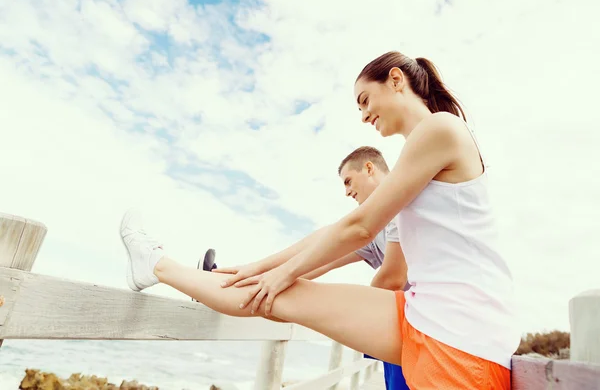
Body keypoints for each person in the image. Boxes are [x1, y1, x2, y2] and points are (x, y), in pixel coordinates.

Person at [120, 50, 521, 389]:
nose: (363, 115)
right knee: (271, 294)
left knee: (274, 292)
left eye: (365, 100)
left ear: (396, 80)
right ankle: (154, 263)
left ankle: (155, 263)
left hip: (462, 336)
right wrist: (261, 267)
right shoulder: (421, 149)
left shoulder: (440, 129)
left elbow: (359, 227)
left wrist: (280, 274)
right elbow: (334, 234)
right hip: (431, 316)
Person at [208, 146, 409, 389]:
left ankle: (215, 287)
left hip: (418, 328)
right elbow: (317, 262)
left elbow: (393, 278)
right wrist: (261, 277)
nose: (346, 192)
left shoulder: (402, 206)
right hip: (397, 326)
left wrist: (347, 313)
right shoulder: (375, 231)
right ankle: (218, 284)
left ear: (369, 168)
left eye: (348, 181)